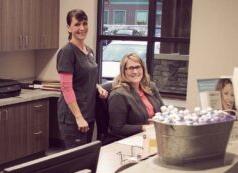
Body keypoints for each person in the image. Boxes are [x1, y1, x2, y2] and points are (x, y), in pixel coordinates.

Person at [56, 9, 108, 149]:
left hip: (88, 113)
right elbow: (66, 88)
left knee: (85, 158)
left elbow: (84, 77)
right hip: (74, 117)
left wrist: (97, 87)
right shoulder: (67, 52)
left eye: (85, 23)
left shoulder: (88, 50)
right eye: (77, 24)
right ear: (69, 28)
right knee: (76, 162)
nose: (82, 28)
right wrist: (78, 117)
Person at [108, 52, 164, 139]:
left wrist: (159, 121)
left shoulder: (151, 87)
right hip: (131, 140)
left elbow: (163, 111)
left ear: (143, 69)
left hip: (154, 135)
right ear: (124, 71)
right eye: (131, 68)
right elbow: (117, 128)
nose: (135, 71)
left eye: (138, 67)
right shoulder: (118, 95)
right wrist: (143, 127)